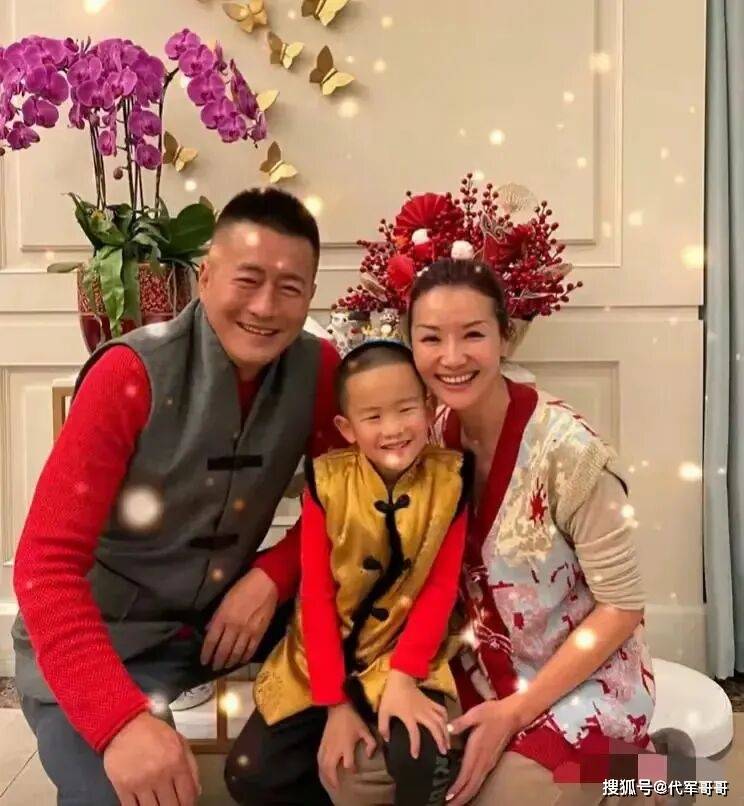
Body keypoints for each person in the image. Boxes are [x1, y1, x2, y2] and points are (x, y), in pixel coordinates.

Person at [12, 187, 343, 806]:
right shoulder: (129, 373)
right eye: (248, 280)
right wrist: (120, 721)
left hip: (218, 620)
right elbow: (44, 567)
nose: (265, 307)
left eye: (289, 288)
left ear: (310, 296)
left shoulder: (319, 369)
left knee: (368, 592)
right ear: (205, 276)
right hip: (110, 637)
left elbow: (347, 505)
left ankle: (288, 768)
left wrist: (271, 576)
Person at [333, 258, 655, 806]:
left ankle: (654, 776)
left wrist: (515, 714)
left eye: (473, 334)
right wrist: (375, 689)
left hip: (577, 682)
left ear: (505, 337)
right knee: (355, 777)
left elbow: (622, 607)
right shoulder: (424, 435)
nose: (452, 357)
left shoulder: (570, 454)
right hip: (471, 668)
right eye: (431, 338)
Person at [225, 341, 472, 805]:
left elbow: (440, 589)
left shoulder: (452, 480)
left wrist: (404, 676)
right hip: (319, 658)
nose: (393, 429)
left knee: (418, 754)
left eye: (406, 410)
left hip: (405, 654)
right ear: (347, 428)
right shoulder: (327, 483)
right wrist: (335, 704)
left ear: (429, 407)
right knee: (252, 774)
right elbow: (315, 597)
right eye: (373, 417)